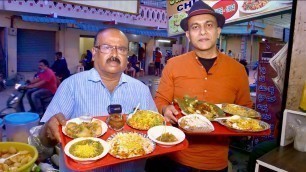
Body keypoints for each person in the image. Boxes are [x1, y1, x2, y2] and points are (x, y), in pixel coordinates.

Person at [146, 1, 253, 172]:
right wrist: (165, 109)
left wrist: (244, 127)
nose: (202, 32)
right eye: (195, 27)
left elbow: (246, 109)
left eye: (208, 25)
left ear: (218, 31)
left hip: (216, 162)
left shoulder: (238, 70)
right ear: (188, 35)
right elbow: (161, 99)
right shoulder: (173, 64)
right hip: (175, 155)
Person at [35, 28, 157, 171]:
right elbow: (44, 142)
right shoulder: (71, 85)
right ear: (94, 53)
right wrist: (48, 129)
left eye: (122, 49)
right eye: (107, 47)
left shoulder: (141, 89)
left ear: (127, 57)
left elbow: (155, 133)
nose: (114, 54)